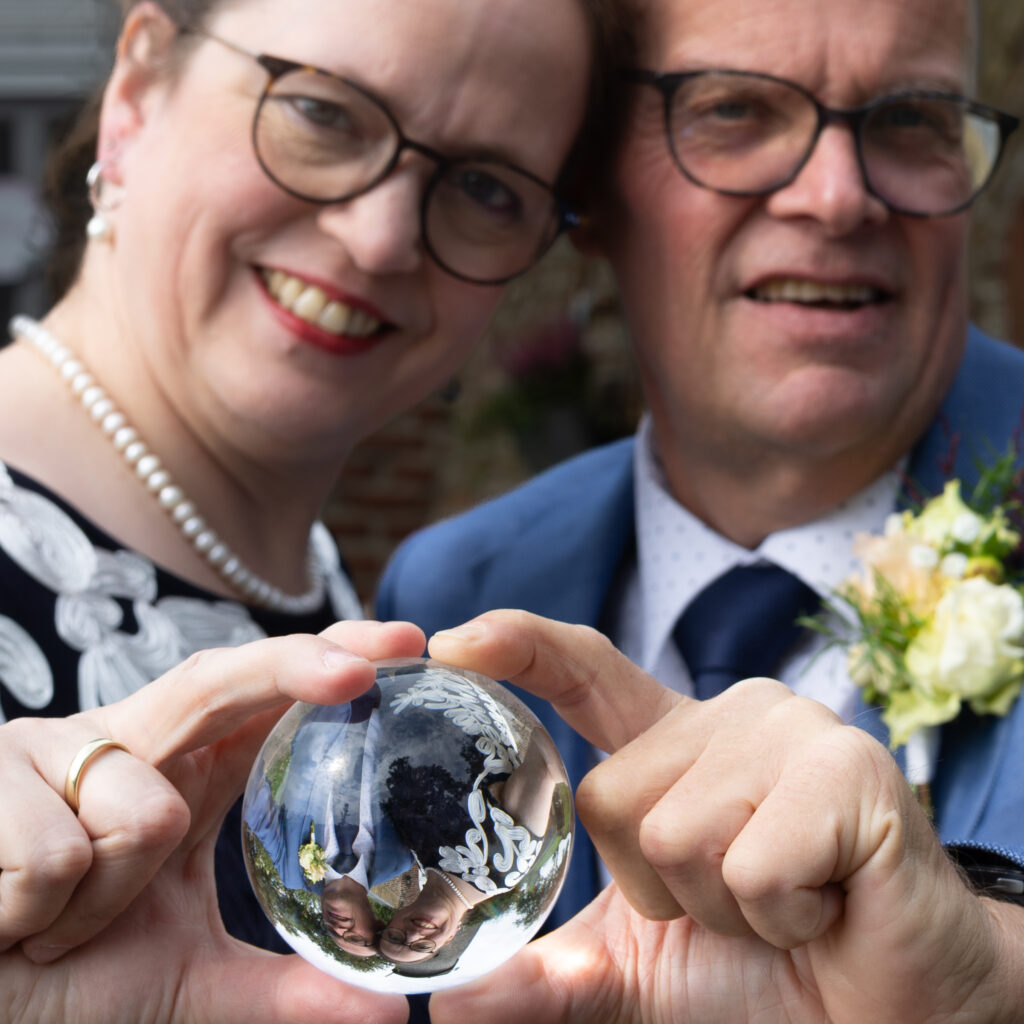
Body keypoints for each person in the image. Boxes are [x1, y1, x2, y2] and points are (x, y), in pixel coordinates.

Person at [377, 0, 1024, 1017]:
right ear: (588, 189)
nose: (837, 197)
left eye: (911, 119)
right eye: (734, 111)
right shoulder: (453, 589)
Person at [0, 0, 623, 1017]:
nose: (378, 238)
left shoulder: (360, 618)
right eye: (324, 113)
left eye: (485, 187)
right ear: (137, 90)